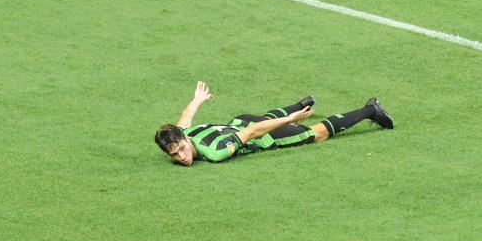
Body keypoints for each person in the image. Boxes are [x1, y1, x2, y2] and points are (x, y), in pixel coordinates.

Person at [155, 81, 394, 166]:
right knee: (263, 119)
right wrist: (196, 101)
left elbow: (253, 132)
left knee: (315, 133)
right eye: (175, 155)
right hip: (240, 120)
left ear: (185, 138)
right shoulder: (181, 134)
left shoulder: (214, 152)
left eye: (182, 149)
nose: (182, 157)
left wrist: (289, 121)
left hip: (258, 133)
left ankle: (370, 109)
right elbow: (185, 118)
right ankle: (300, 104)